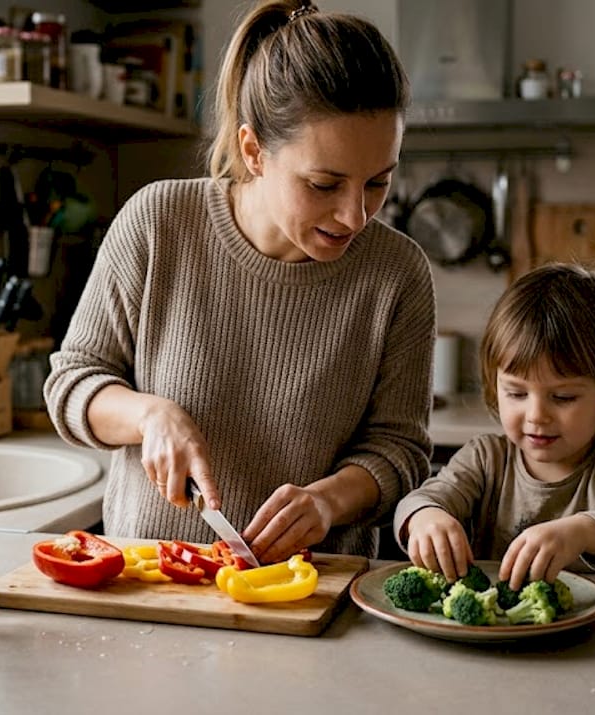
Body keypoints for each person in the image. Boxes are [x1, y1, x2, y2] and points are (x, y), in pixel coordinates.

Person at [44, 0, 434, 561]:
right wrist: (148, 415)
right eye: (325, 184)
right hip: (151, 585)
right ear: (254, 151)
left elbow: (400, 450)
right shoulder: (158, 222)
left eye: (378, 182)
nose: (356, 215)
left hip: (310, 596)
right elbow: (72, 384)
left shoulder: (398, 273)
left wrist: (327, 502)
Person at [394, 263, 595, 588]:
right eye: (517, 393)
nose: (536, 415)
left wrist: (581, 531)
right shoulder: (486, 459)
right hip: (498, 637)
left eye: (563, 397)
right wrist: (425, 518)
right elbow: (418, 501)